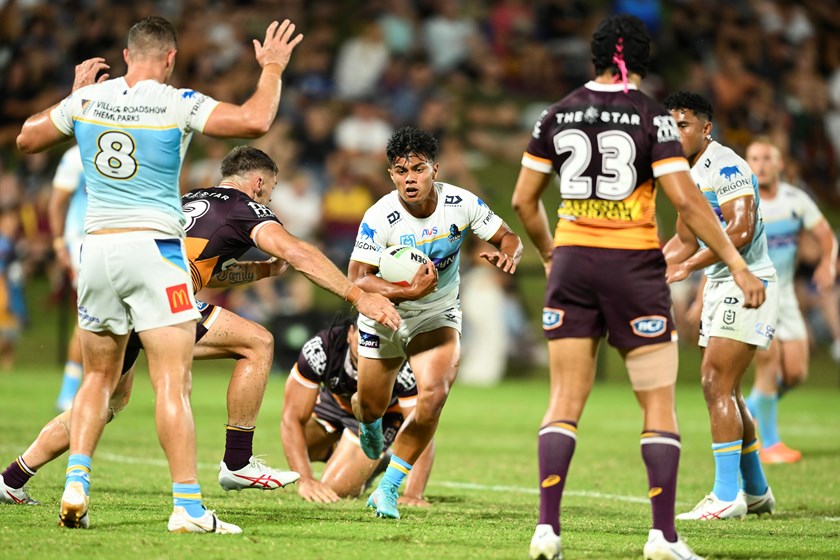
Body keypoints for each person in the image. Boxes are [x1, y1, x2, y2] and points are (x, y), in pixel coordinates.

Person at [15, 16, 306, 533]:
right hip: (153, 249)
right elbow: (255, 120)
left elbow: (26, 139)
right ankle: (188, 507)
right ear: (170, 59)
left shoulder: (88, 100)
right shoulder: (176, 101)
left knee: (99, 381)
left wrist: (73, 95)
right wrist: (273, 68)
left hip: (97, 250)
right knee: (172, 381)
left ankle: (76, 480)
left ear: (127, 56)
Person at [0, 146, 400, 506]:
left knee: (105, 402)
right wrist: (357, 295)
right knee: (257, 343)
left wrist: (259, 271)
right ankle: (236, 462)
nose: (270, 199)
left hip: (123, 291)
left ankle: (12, 478)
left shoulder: (190, 199)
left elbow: (203, 271)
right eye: (271, 191)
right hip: (161, 297)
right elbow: (298, 252)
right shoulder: (246, 206)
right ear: (258, 183)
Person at [511, 15, 766, 560]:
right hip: (632, 268)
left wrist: (551, 252)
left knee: (563, 400)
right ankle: (663, 537)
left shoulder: (555, 113)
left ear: (592, 59)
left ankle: (547, 530)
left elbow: (522, 202)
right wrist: (736, 266)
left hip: (574, 262)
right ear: (644, 62)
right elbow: (690, 203)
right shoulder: (654, 117)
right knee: (657, 404)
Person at [348, 125, 522, 520]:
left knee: (434, 395)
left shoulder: (461, 203)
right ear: (391, 174)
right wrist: (407, 291)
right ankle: (371, 425)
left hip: (437, 314)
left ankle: (388, 489)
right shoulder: (380, 216)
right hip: (384, 314)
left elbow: (507, 235)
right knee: (371, 405)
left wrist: (510, 253)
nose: (410, 178)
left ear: (435, 169)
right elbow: (357, 277)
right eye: (400, 170)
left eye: (418, 169)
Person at [661, 92, 778, 522]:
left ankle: (727, 496)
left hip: (749, 284)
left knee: (714, 381)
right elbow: (685, 240)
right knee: (727, 389)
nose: (676, 133)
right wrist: (647, 264)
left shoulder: (725, 165)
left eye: (685, 124)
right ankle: (758, 491)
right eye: (670, 125)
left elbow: (741, 230)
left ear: (706, 128)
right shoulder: (681, 173)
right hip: (720, 284)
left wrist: (689, 266)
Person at [743, 138, 838, 464]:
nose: (761, 164)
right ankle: (769, 443)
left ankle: (746, 409)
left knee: (795, 372)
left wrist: (827, 262)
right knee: (769, 364)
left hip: (785, 294)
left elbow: (826, 235)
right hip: (755, 293)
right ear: (747, 163)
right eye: (754, 158)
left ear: (780, 164)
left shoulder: (796, 200)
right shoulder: (743, 202)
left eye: (767, 158)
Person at [281, 316, 434, 503]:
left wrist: (413, 494)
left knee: (336, 488)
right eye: (365, 334)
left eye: (378, 337)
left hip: (379, 418)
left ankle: (371, 458)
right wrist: (305, 479)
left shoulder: (403, 365)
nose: (370, 343)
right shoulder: (322, 349)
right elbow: (291, 418)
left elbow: (420, 425)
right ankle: (352, 454)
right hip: (335, 404)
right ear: (350, 333)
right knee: (300, 443)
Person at [49, 145, 86, 411]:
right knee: (88, 313)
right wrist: (59, 243)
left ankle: (91, 386)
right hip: (83, 240)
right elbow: (56, 201)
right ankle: (69, 391)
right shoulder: (76, 155)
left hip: (121, 237)